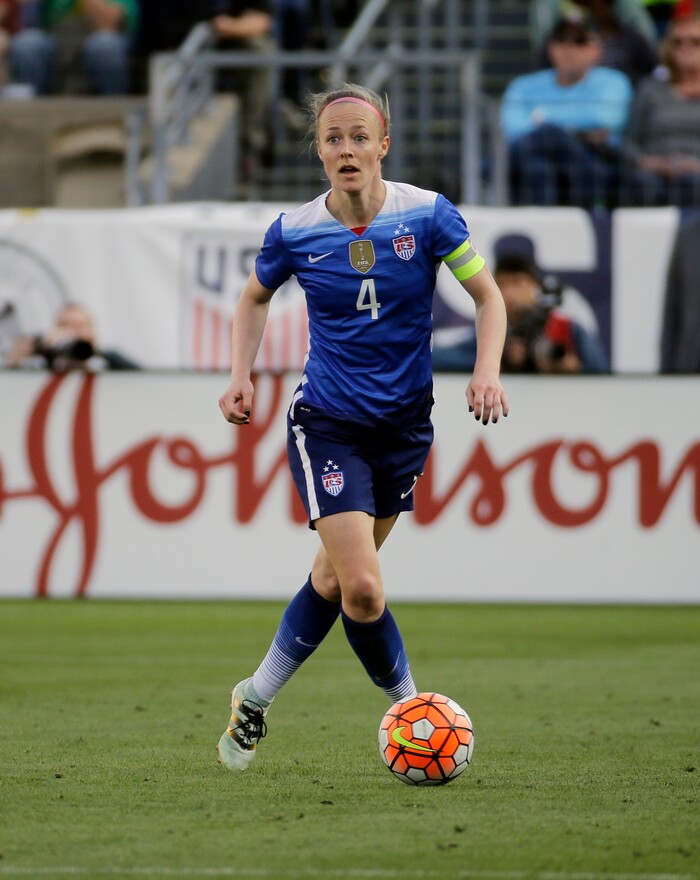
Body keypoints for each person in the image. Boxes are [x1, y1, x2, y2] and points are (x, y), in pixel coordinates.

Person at [216, 83, 509, 773]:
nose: (345, 148)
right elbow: (254, 298)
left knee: (330, 581)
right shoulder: (295, 230)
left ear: (383, 144)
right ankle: (415, 712)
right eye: (332, 138)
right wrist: (240, 375)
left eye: (358, 136)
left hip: (405, 429)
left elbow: (488, 296)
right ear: (318, 151)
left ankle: (253, 699)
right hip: (328, 424)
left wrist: (486, 370)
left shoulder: (430, 218)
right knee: (364, 589)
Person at [501, 16, 633, 208]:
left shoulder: (614, 82)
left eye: (579, 41)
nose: (569, 50)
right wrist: (577, 129)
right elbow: (513, 129)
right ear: (550, 48)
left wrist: (543, 119)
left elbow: (607, 118)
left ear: (597, 50)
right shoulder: (523, 85)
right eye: (561, 41)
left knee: (547, 135)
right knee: (537, 168)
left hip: (592, 165)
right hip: (536, 166)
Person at [619, 14, 700, 207]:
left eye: (695, 42)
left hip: (695, 173)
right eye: (677, 42)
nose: (685, 48)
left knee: (692, 184)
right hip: (652, 170)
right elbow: (628, 143)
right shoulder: (650, 89)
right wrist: (647, 162)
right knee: (643, 184)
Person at [495, 252, 609, 374]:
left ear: (534, 285)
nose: (508, 292)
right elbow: (472, 366)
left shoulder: (567, 328)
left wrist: (573, 369)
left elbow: (601, 373)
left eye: (516, 283)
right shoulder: (487, 332)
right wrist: (498, 360)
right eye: (501, 284)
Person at [8, 0, 138, 95]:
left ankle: (114, 112)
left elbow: (109, 25)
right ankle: (33, 113)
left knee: (105, 45)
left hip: (102, 38)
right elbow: (27, 18)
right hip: (59, 39)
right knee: (27, 43)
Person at [536, 0, 659, 86]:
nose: (593, 10)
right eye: (584, 4)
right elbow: (545, 72)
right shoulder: (560, 37)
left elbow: (650, 71)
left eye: (598, 3)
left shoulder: (630, 37)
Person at [2, 302, 139, 370]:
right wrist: (14, 364)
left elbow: (146, 382)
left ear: (92, 332)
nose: (71, 332)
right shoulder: (39, 363)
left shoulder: (111, 361)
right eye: (64, 325)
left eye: (79, 326)